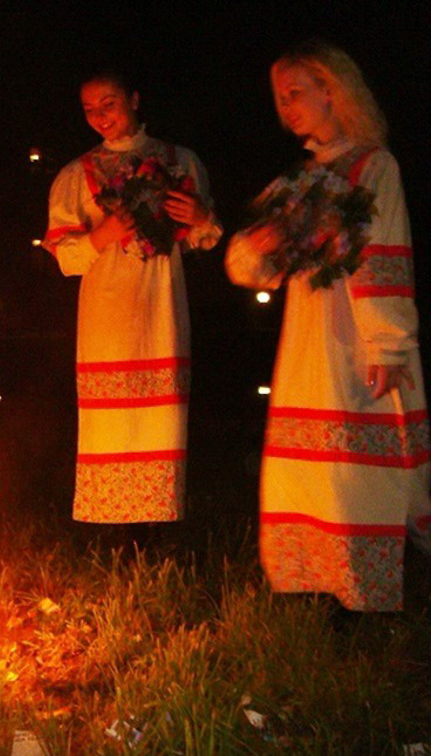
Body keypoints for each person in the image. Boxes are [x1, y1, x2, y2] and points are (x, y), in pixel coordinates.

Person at [225, 40, 431, 612]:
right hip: (307, 341)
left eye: (296, 92)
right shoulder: (301, 179)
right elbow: (245, 265)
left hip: (360, 337)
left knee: (358, 469)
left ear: (331, 91)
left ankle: (366, 593)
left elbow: (386, 252)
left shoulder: (373, 166)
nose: (286, 106)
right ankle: (313, 584)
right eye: (279, 97)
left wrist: (389, 345)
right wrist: (262, 243)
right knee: (311, 470)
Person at [43, 72, 222, 526]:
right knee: (111, 425)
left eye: (109, 104)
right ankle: (113, 532)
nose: (100, 117)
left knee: (159, 420)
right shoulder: (75, 175)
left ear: (135, 100)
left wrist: (201, 218)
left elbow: (203, 239)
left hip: (160, 306)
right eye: (90, 110)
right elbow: (65, 257)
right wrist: (102, 235)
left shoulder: (180, 161)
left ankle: (158, 528)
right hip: (107, 313)